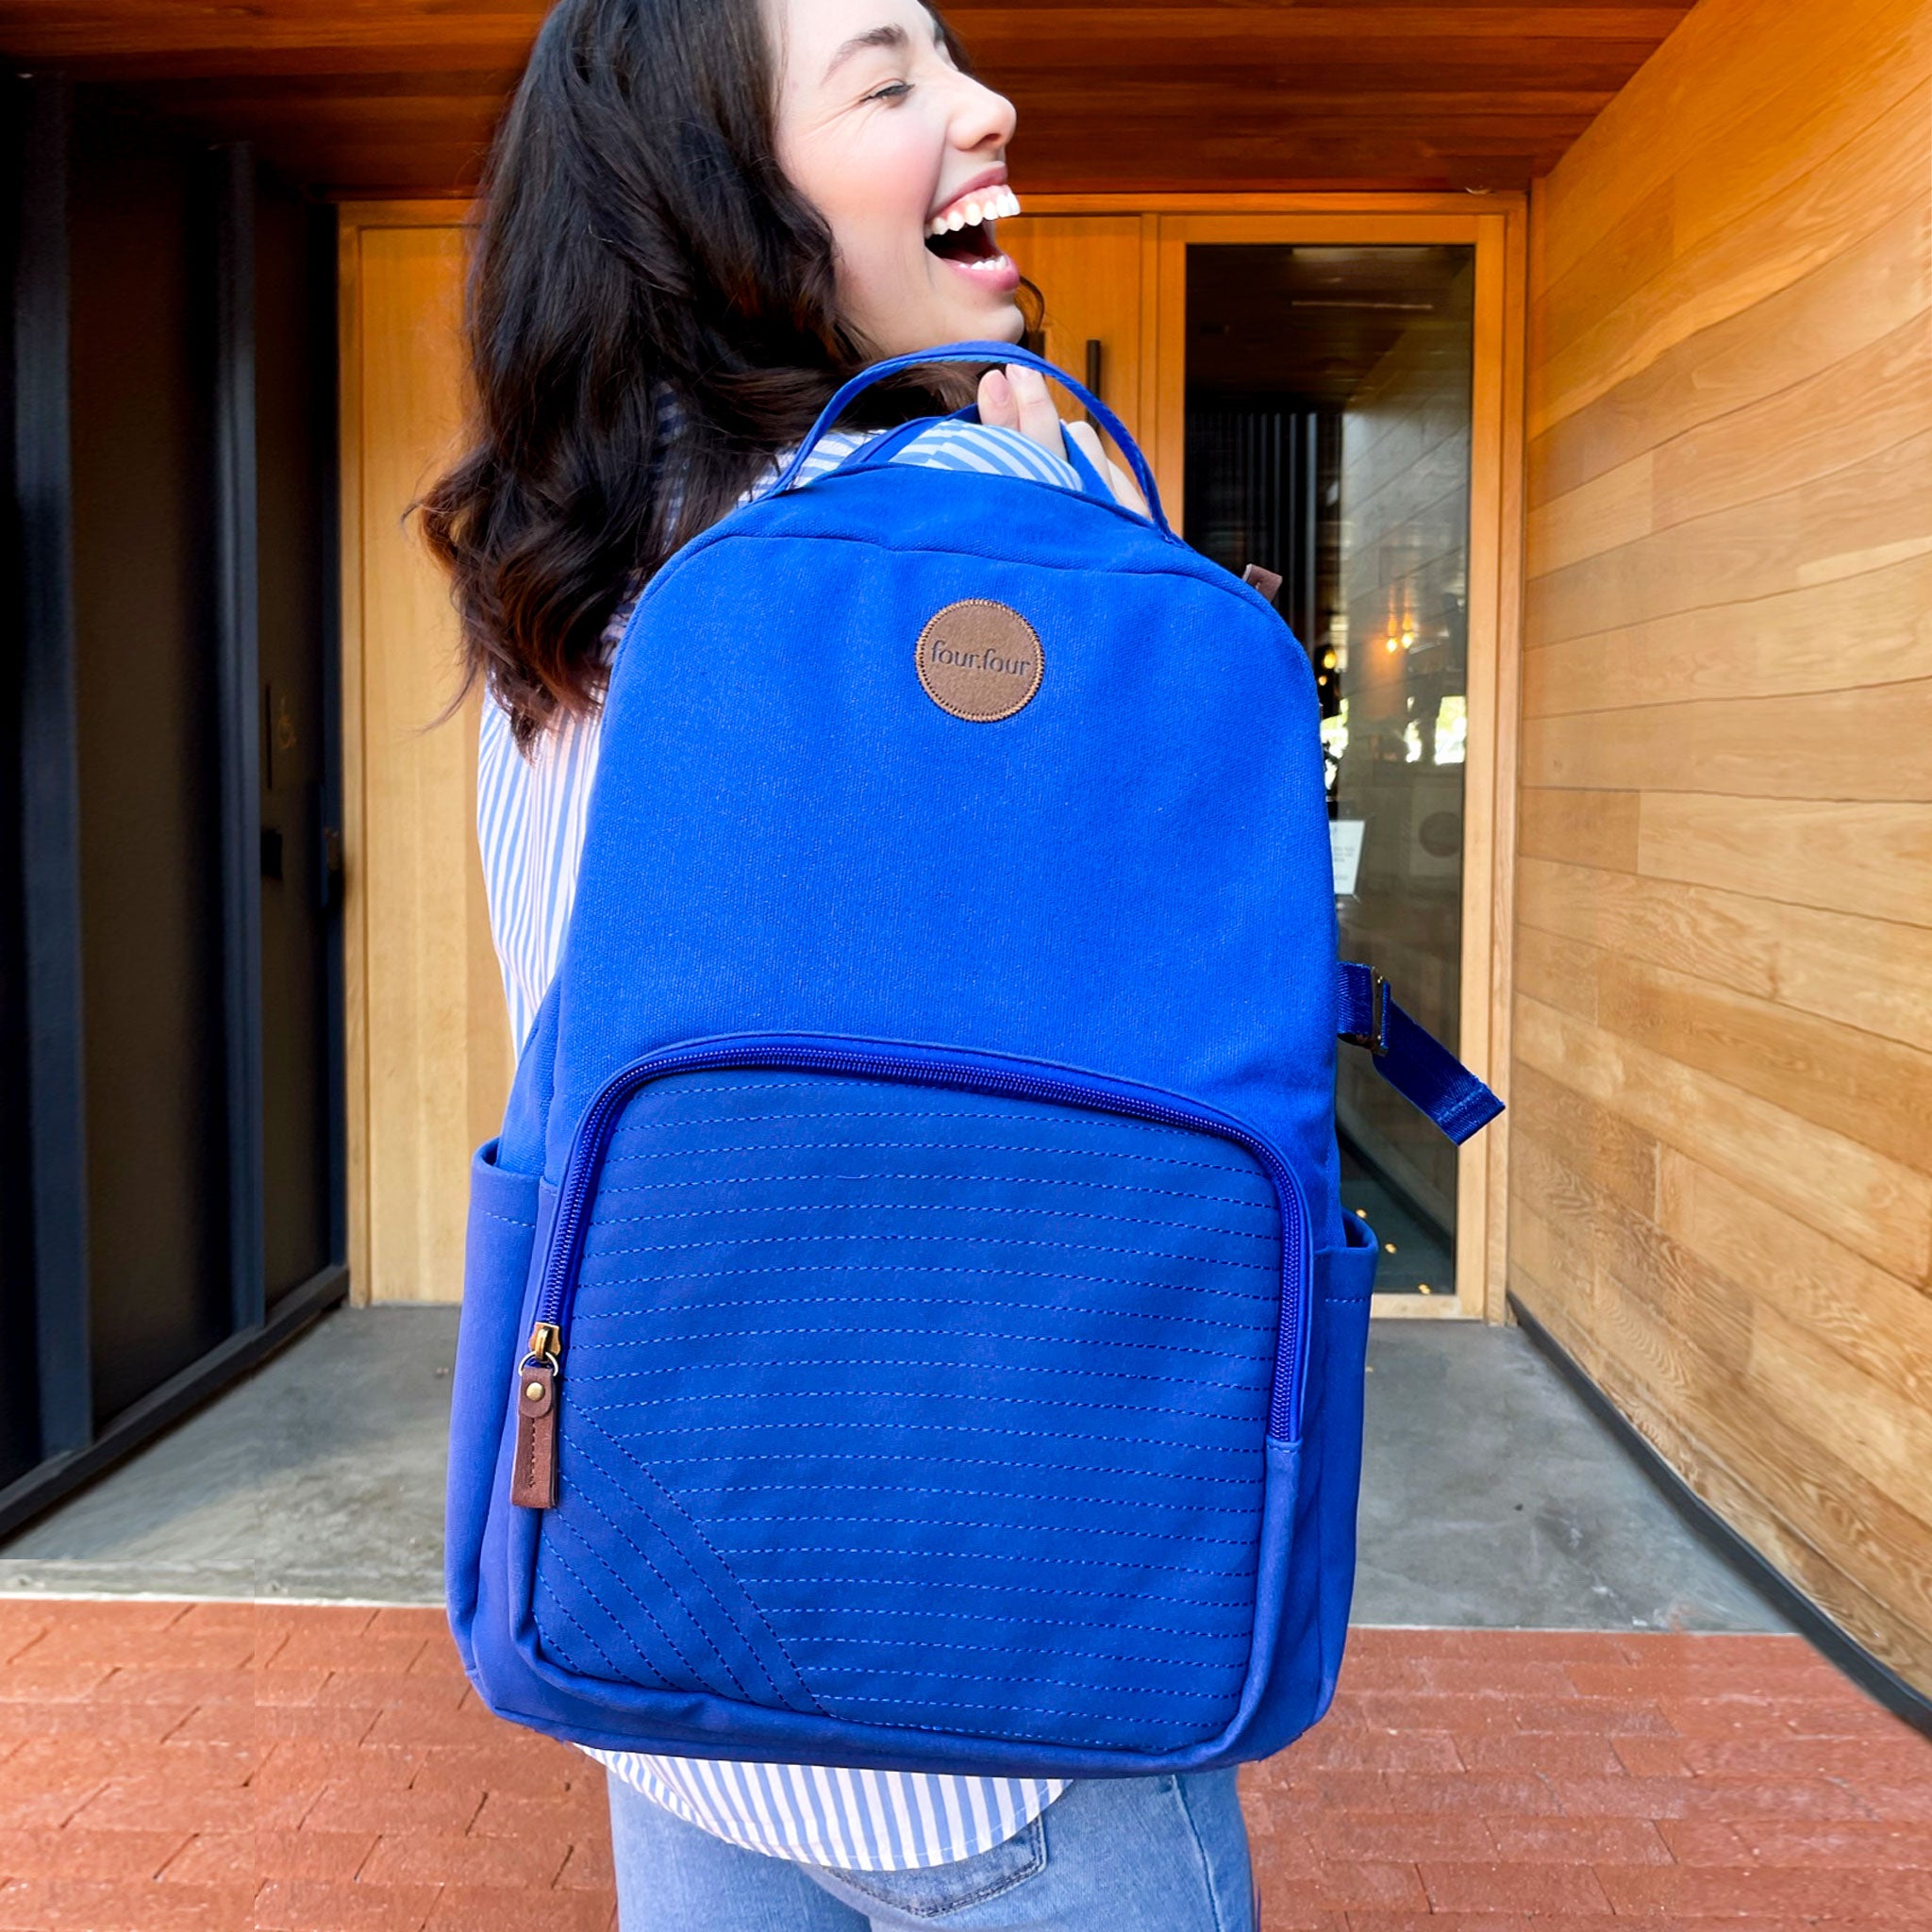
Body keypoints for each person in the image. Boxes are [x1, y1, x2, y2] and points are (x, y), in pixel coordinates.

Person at [424, 1, 1256, 1925]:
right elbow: (1160, 1059)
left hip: (660, 1616)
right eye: (889, 80)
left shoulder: (565, 568)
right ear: (712, 196)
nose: (986, 103)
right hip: (1012, 1655)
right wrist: (1091, 554)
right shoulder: (989, 534)